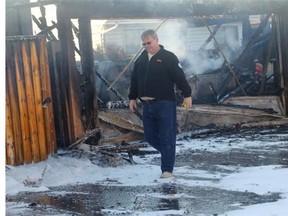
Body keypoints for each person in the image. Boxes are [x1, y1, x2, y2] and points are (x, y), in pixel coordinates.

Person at [128, 29, 192, 178]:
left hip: (165, 103)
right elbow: (134, 81)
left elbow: (180, 77)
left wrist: (187, 94)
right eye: (144, 44)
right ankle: (168, 153)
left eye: (149, 43)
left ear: (156, 40)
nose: (146, 46)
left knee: (167, 136)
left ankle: (167, 170)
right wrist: (132, 98)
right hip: (147, 105)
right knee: (150, 136)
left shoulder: (168, 57)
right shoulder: (141, 60)